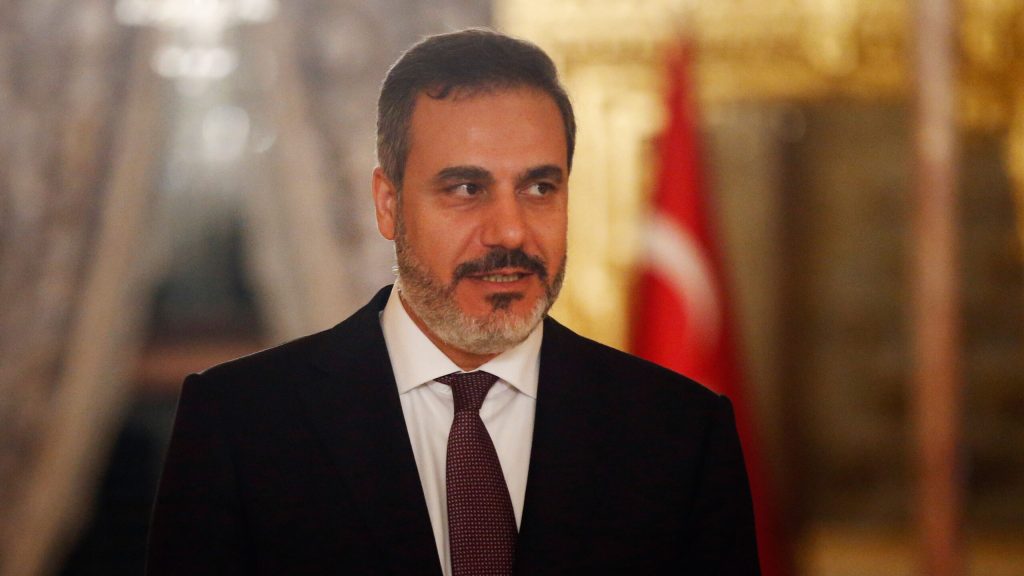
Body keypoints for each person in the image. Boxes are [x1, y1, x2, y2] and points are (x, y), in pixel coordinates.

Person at [146, 28, 760, 575]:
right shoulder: (239, 423)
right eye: (467, 188)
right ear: (388, 204)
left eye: (539, 188)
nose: (511, 231)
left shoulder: (679, 433)